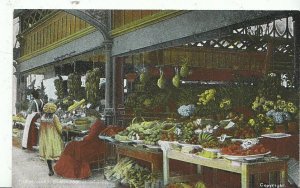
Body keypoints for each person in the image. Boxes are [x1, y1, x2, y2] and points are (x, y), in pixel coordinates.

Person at [54, 112, 106, 179]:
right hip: (94, 143)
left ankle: (72, 170)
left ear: (93, 116)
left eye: (89, 117)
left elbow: (90, 137)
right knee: (72, 145)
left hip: (92, 146)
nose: (89, 119)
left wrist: (83, 138)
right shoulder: (98, 123)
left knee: (71, 145)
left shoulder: (97, 124)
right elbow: (92, 135)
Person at [39, 103, 64, 176]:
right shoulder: (54, 117)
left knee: (48, 154)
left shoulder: (43, 117)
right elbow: (59, 128)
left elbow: (40, 127)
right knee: (57, 152)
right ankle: (58, 169)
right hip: (54, 137)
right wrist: (62, 132)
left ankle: (50, 170)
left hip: (45, 138)